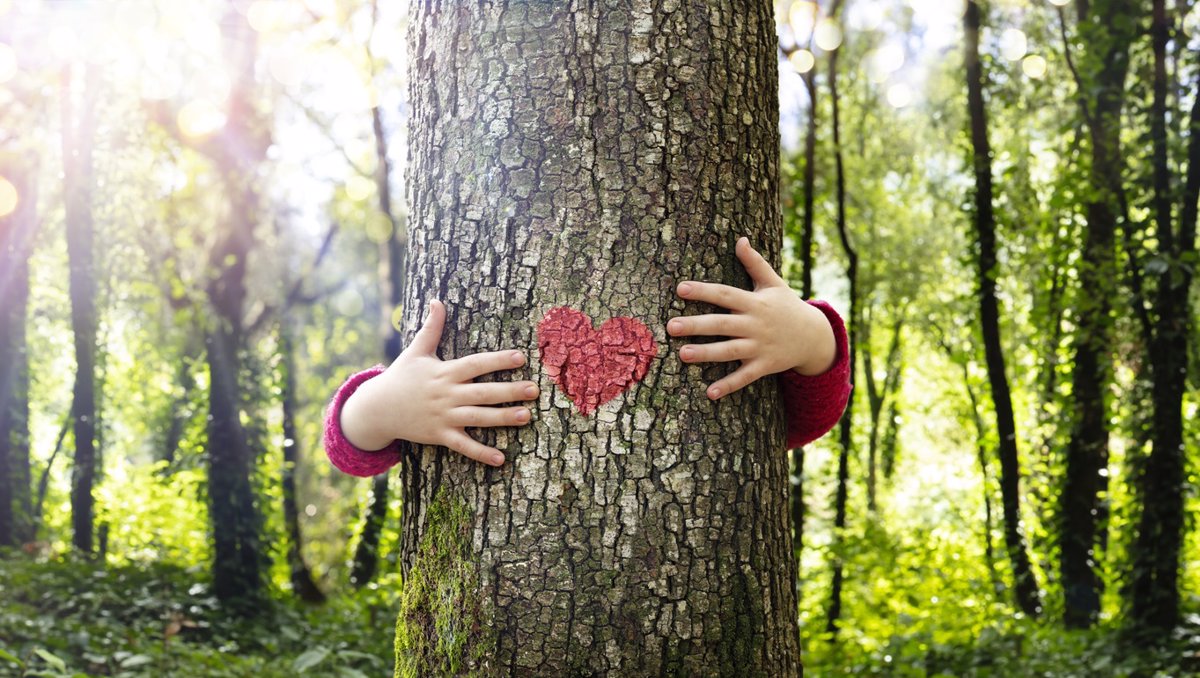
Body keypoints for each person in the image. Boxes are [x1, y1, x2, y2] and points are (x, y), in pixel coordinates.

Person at [323, 237, 851, 477]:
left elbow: (805, 420)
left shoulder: (761, 347)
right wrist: (383, 405)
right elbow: (347, 447)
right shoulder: (430, 396)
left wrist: (811, 336)